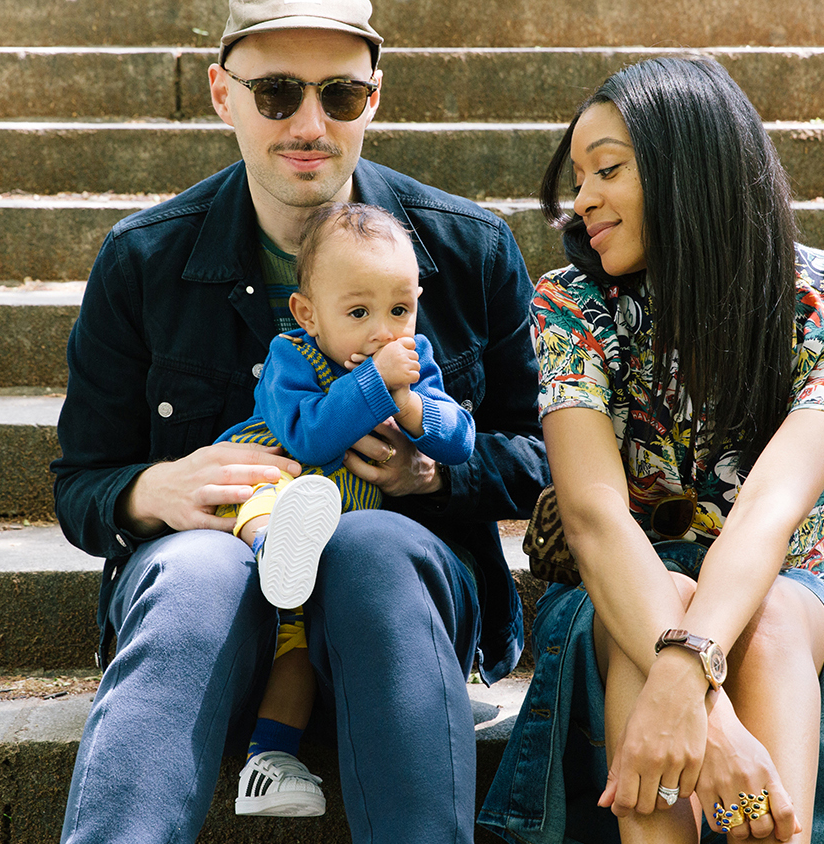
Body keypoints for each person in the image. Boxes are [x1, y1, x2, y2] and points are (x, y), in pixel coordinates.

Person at [49, 0, 547, 839]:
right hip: (216, 612)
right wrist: (150, 490)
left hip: (401, 604)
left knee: (372, 546)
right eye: (276, 94)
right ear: (222, 93)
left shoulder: (470, 250)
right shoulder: (143, 261)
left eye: (341, 96)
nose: (309, 124)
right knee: (198, 569)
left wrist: (434, 472)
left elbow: (544, 457)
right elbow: (81, 487)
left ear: (375, 98)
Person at [477, 57, 824, 844]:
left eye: (607, 170)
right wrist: (705, 708)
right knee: (650, 621)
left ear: (689, 166)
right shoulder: (570, 303)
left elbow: (768, 509)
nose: (580, 200)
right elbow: (592, 514)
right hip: (614, 588)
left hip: (783, 586)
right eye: (578, 176)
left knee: (777, 620)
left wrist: (689, 670)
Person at [214, 201, 477, 817]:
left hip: (333, 547)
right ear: (307, 313)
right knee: (267, 496)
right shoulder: (292, 357)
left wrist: (413, 408)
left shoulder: (414, 361)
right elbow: (308, 435)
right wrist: (373, 385)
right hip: (278, 483)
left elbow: (460, 439)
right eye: (358, 312)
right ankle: (272, 547)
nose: (384, 331)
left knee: (299, 648)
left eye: (400, 309)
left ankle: (271, 759)